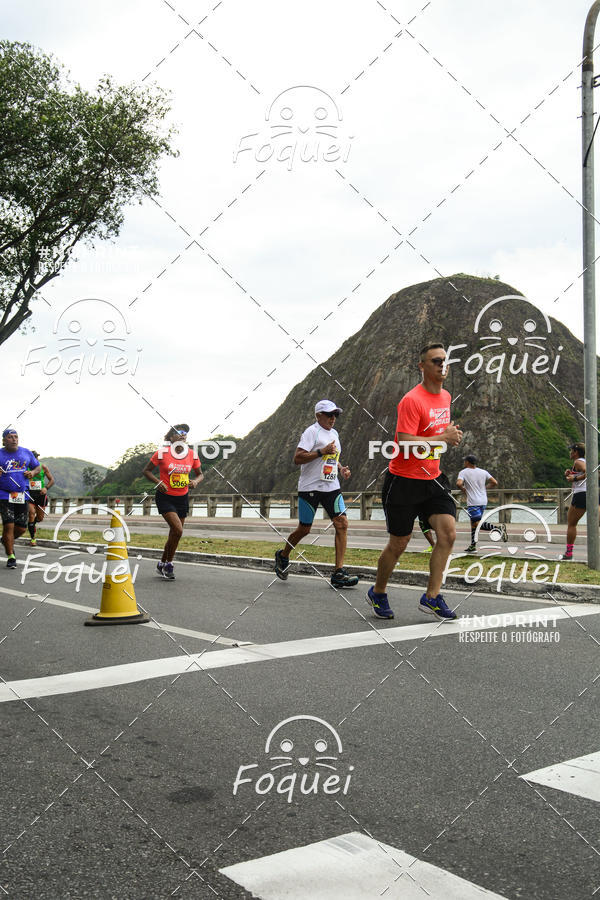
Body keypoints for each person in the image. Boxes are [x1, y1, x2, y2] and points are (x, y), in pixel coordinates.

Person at [367, 344, 463, 620]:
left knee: (448, 534)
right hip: (404, 480)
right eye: (436, 361)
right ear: (422, 366)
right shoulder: (412, 400)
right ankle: (378, 591)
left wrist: (448, 434)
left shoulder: (445, 396)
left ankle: (431, 597)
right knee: (399, 543)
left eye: (446, 361)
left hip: (432, 479)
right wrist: (442, 439)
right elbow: (404, 441)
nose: (442, 366)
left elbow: (436, 433)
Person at [274, 400, 359, 588]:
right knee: (305, 529)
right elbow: (297, 458)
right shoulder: (311, 432)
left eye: (335, 415)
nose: (333, 418)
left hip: (331, 486)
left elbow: (332, 456)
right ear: (318, 415)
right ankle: (283, 555)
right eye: (329, 415)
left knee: (342, 523)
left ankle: (338, 572)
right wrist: (321, 451)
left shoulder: (335, 434)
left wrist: (341, 467)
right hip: (310, 488)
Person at [142, 424, 203, 580]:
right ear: (170, 437)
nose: (182, 435)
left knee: (175, 534)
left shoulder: (192, 455)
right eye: (178, 432)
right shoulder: (162, 453)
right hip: (165, 496)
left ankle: (162, 564)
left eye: (185, 433)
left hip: (182, 497)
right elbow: (146, 471)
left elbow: (200, 474)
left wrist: (195, 481)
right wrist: (157, 482)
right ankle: (169, 564)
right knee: (178, 529)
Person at [0, 427, 41, 569]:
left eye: (16, 437)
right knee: (9, 525)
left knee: (22, 528)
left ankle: (6, 540)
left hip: (21, 494)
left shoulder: (26, 452)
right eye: (10, 437)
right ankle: (11, 556)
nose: (14, 439)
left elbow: (38, 467)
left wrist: (33, 473)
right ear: (4, 441)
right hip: (4, 493)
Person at [456, 455, 506, 552]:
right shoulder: (483, 472)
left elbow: (458, 483)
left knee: (477, 523)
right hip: (483, 501)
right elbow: (494, 482)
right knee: (474, 525)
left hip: (473, 502)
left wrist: (463, 489)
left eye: (465, 461)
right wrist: (484, 488)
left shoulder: (463, 472)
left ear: (467, 462)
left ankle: (498, 529)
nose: (464, 463)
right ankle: (473, 546)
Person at [561, 442, 592, 561]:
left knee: (571, 524)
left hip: (581, 495)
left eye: (571, 450)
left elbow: (588, 472)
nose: (570, 452)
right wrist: (571, 473)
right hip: (591, 493)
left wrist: (574, 478)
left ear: (576, 452)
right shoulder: (584, 461)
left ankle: (568, 553)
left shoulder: (578, 462)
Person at [27, 452, 55, 546]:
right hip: (29, 494)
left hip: (41, 495)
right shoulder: (25, 467)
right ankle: (33, 539)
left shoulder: (43, 467)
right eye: (34, 458)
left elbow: (52, 480)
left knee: (40, 518)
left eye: (37, 458)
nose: (36, 459)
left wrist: (46, 488)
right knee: (31, 514)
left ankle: (32, 524)